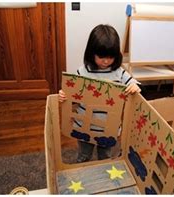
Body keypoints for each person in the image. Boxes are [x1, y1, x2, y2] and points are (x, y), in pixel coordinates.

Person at [59, 24, 141, 162]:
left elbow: (133, 83)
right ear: (92, 53)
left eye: (111, 57)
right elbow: (71, 94)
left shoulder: (118, 72)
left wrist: (134, 86)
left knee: (105, 158)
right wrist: (64, 95)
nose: (106, 61)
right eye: (102, 56)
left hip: (108, 128)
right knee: (84, 156)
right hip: (84, 126)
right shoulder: (82, 72)